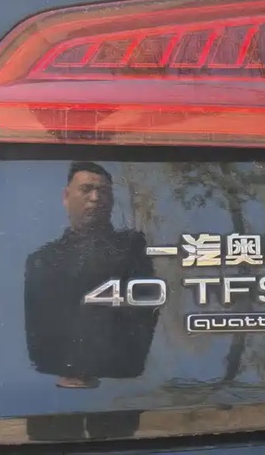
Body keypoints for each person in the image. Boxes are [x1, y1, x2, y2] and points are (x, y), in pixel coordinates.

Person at [23, 162, 158, 440]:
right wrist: (62, 372)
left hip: (120, 395)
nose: (96, 198)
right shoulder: (41, 260)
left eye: (104, 192)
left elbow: (146, 317)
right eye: (86, 189)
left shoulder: (133, 248)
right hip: (48, 398)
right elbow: (34, 329)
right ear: (66, 196)